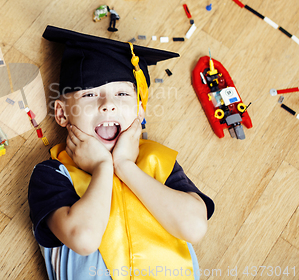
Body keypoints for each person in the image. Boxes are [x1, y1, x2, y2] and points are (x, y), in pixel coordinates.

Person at [28, 26, 214, 280]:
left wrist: (126, 166)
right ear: (61, 113)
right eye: (90, 94)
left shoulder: (158, 160)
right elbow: (84, 238)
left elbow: (194, 227)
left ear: (139, 112)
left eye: (122, 94)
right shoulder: (54, 172)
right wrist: (103, 168)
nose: (108, 105)